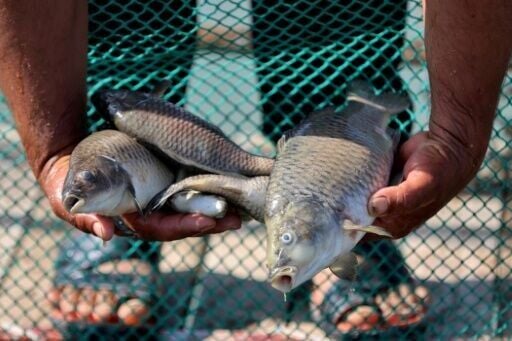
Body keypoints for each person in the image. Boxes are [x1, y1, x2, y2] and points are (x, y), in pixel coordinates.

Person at [0, 0, 510, 339]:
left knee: (335, 72)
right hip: (132, 137)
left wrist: (459, 136)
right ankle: (116, 185)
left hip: (329, 172)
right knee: (129, 69)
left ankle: (352, 209)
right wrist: (55, 151)